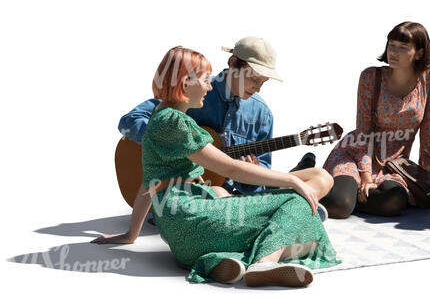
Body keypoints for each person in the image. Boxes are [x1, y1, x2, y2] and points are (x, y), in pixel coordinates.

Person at [93, 46, 340, 287]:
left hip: (182, 240)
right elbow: (231, 169)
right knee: (297, 202)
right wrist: (293, 180)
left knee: (245, 198)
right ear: (184, 82)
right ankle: (264, 263)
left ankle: (217, 260)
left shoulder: (160, 115)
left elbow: (148, 183)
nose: (210, 85)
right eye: (204, 80)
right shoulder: (177, 124)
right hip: (194, 220)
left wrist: (131, 234)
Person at [118, 37, 319, 195]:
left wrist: (251, 172)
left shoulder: (263, 115)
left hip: (226, 194)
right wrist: (172, 145)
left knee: (320, 178)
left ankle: (297, 178)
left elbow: (258, 177)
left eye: (264, 81)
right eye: (254, 78)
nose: (258, 87)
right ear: (233, 63)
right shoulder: (195, 89)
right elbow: (129, 121)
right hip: (177, 191)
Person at [321, 21, 430, 218]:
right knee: (339, 205)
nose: (393, 52)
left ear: (419, 53)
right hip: (356, 154)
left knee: (394, 201)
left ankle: (350, 197)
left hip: (395, 164)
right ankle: (317, 188)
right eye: (391, 45)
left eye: (403, 48)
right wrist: (366, 177)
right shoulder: (371, 77)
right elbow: (363, 132)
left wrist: (427, 177)